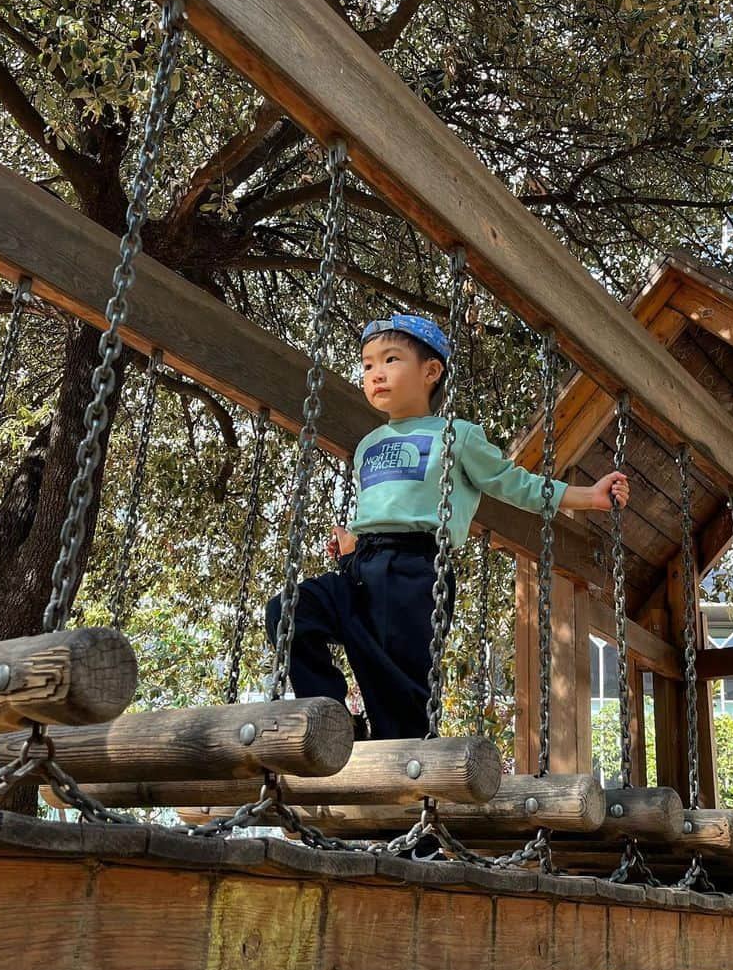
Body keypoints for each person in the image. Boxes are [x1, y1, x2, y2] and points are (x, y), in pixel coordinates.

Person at [266, 314, 629, 741]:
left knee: (397, 683)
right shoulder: (367, 446)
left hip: (416, 568)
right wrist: (351, 541)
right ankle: (332, 720)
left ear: (430, 372)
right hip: (360, 565)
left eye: (390, 359)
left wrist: (589, 497)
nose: (375, 373)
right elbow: (382, 506)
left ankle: (401, 756)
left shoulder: (457, 435)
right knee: (289, 610)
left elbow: (516, 485)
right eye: (366, 365)